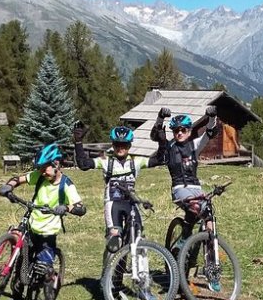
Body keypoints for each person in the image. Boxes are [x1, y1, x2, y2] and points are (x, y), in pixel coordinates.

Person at [0, 143, 86, 300]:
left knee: (45, 272)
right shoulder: (39, 176)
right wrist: (8, 186)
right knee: (20, 269)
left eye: (45, 167)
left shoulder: (66, 184)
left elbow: (81, 208)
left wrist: (66, 207)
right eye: (40, 168)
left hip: (47, 235)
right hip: (31, 228)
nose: (42, 171)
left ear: (56, 164)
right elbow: (18, 178)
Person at [73, 123, 166, 256]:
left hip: (131, 204)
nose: (120, 148)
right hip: (113, 203)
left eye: (124, 145)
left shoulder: (136, 162)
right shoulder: (106, 162)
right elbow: (83, 164)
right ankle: (110, 274)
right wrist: (78, 142)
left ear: (129, 146)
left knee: (138, 236)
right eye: (117, 144)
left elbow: (159, 159)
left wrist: (162, 142)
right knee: (114, 240)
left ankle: (140, 273)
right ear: (113, 144)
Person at [151, 105, 221, 259]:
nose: (180, 133)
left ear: (189, 131)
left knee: (209, 215)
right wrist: (160, 117)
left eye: (183, 130)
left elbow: (210, 132)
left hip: (195, 187)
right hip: (179, 188)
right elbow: (155, 135)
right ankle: (183, 240)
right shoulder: (169, 147)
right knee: (195, 206)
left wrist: (212, 117)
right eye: (176, 130)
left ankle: (211, 260)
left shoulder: (194, 145)